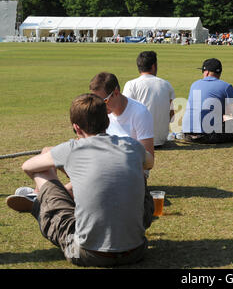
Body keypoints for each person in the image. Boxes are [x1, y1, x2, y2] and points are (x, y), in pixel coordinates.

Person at [5, 94, 154, 267]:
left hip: (86, 254)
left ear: (76, 127)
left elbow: (27, 166)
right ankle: (54, 199)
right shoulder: (131, 145)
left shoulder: (71, 149)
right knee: (139, 173)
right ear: (107, 121)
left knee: (43, 170)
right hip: (136, 251)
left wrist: (64, 168)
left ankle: (41, 202)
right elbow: (149, 163)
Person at [182, 58, 233, 143]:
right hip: (207, 136)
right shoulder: (226, 86)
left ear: (206, 72)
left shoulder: (194, 84)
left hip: (186, 134)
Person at [89, 72, 154, 157]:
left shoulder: (140, 113)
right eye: (96, 101)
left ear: (116, 93)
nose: (99, 105)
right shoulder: (100, 111)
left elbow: (148, 157)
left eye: (103, 101)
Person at [123, 51, 175, 147]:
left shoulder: (131, 85)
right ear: (154, 66)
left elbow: (124, 113)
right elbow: (172, 116)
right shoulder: (166, 84)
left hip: (138, 141)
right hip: (161, 139)